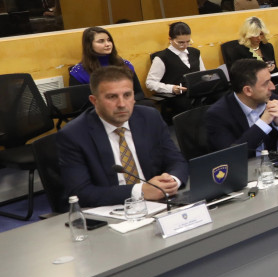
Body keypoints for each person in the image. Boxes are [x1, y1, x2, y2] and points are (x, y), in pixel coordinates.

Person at [58, 66, 188, 206]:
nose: (121, 104)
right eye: (112, 97)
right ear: (94, 101)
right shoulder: (74, 134)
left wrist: (172, 181)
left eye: (127, 95)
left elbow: (176, 161)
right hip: (113, 208)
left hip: (159, 202)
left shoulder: (150, 117)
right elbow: (79, 193)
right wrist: (139, 191)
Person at [205, 59, 278, 158]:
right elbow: (231, 157)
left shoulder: (273, 99)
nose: (273, 87)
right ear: (248, 90)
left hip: (274, 163)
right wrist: (263, 123)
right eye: (266, 83)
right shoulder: (218, 115)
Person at [145, 21, 204, 120]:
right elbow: (150, 83)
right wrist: (171, 88)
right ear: (170, 40)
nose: (185, 45)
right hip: (178, 96)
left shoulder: (195, 52)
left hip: (197, 91)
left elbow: (202, 73)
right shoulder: (162, 58)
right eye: (181, 42)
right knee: (190, 107)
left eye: (188, 41)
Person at [69, 26, 136, 85]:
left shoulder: (125, 65)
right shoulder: (78, 73)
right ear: (89, 45)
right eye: (101, 41)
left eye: (109, 40)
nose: (107, 44)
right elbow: (77, 96)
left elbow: (139, 92)